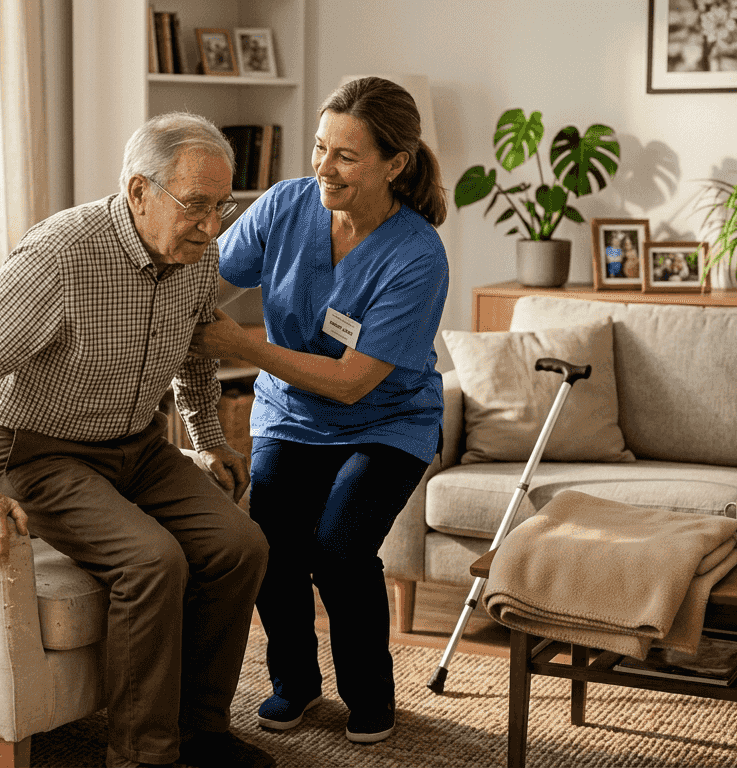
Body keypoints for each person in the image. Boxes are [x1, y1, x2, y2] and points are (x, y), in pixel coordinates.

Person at [0, 112, 273, 768]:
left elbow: (198, 344)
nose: (212, 224)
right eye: (196, 205)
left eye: (222, 205)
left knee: (240, 545)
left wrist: (209, 439)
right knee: (151, 561)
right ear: (139, 191)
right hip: (39, 451)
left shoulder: (199, 254)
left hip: (137, 445)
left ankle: (202, 733)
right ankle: (142, 755)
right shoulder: (61, 255)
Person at [190, 76, 449, 744]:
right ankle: (295, 684)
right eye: (319, 147)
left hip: (386, 422)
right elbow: (205, 271)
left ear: (396, 163)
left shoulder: (417, 254)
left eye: (345, 156)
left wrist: (241, 344)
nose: (323, 168)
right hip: (291, 415)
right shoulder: (286, 207)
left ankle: (369, 694)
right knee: (269, 547)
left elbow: (353, 382)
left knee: (339, 549)